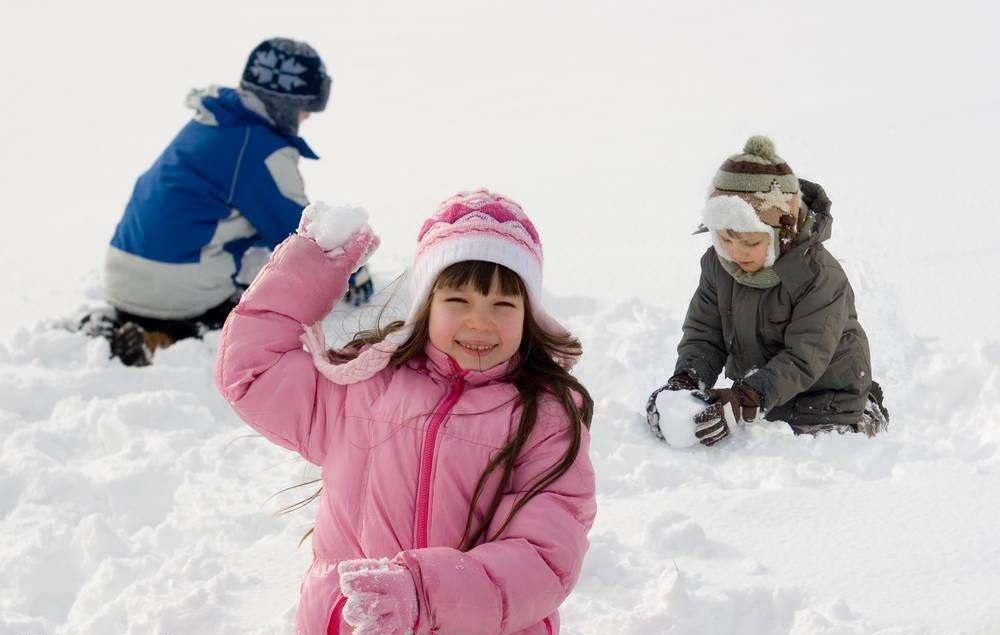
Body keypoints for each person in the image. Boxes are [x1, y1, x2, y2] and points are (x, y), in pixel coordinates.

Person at [215, 190, 596, 634]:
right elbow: (252, 370)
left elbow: (544, 556)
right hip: (355, 622)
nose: (480, 322)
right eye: (458, 301)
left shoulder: (544, 417)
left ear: (529, 314)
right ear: (425, 306)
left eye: (504, 305)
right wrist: (312, 266)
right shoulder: (363, 386)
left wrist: (424, 594)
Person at [96, 37, 372, 367]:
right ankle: (173, 336)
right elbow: (303, 234)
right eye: (305, 109)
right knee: (263, 297)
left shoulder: (210, 123)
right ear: (284, 104)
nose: (307, 118)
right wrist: (352, 274)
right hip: (177, 288)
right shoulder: (261, 151)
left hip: (121, 273)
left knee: (244, 239)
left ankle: (126, 322)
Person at [646, 136, 889, 446]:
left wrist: (747, 396)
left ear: (782, 234)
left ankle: (867, 410)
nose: (736, 253)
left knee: (819, 451)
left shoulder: (820, 277)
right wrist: (686, 381)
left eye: (750, 242)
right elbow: (705, 333)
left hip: (826, 400)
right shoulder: (718, 265)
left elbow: (804, 357)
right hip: (763, 396)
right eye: (724, 239)